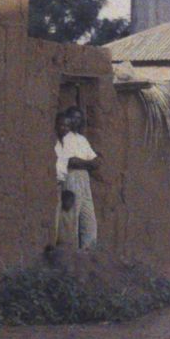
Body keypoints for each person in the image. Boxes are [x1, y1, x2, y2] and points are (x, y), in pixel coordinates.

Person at [53, 105, 102, 252]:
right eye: (73, 117)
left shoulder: (82, 139)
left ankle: (89, 253)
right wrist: (87, 163)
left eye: (79, 118)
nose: (76, 121)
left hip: (84, 179)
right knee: (71, 217)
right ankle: (71, 253)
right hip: (72, 177)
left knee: (89, 218)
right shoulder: (63, 137)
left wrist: (83, 163)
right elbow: (71, 162)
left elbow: (97, 162)